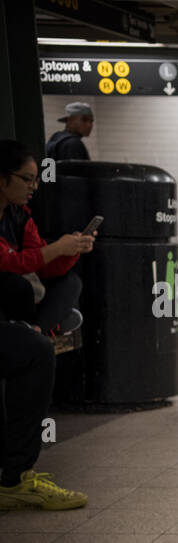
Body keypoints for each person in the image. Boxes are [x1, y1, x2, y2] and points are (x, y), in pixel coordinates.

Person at [0, 142, 90, 510]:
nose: (33, 187)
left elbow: (44, 266)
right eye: (26, 179)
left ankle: (35, 330)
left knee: (71, 283)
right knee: (17, 288)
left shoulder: (20, 215)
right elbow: (12, 264)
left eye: (37, 180)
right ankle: (15, 477)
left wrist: (71, 250)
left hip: (15, 313)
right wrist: (56, 249)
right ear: (2, 178)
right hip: (9, 300)